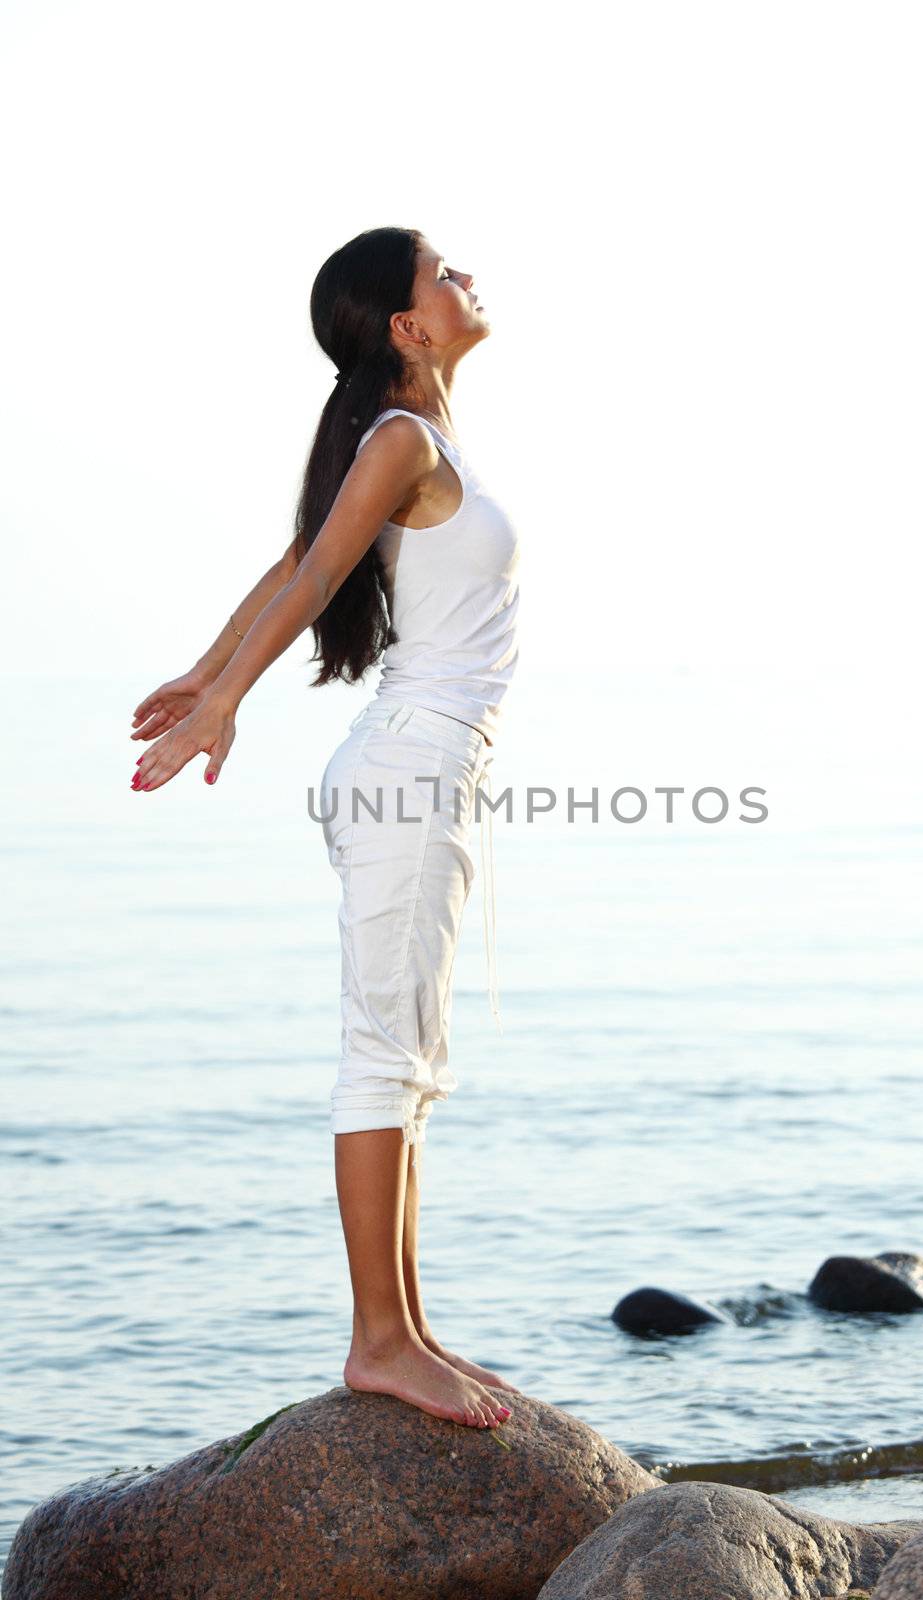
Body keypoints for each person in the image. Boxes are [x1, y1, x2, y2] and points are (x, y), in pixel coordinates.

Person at [128, 227, 521, 1431]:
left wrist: (203, 673)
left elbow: (303, 556)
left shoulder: (415, 441)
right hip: (410, 770)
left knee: (410, 1058)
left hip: (427, 769)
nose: (465, 278)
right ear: (405, 327)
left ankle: (405, 1325)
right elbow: (309, 585)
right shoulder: (402, 437)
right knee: (382, 1056)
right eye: (442, 273)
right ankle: (378, 1341)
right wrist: (223, 702)